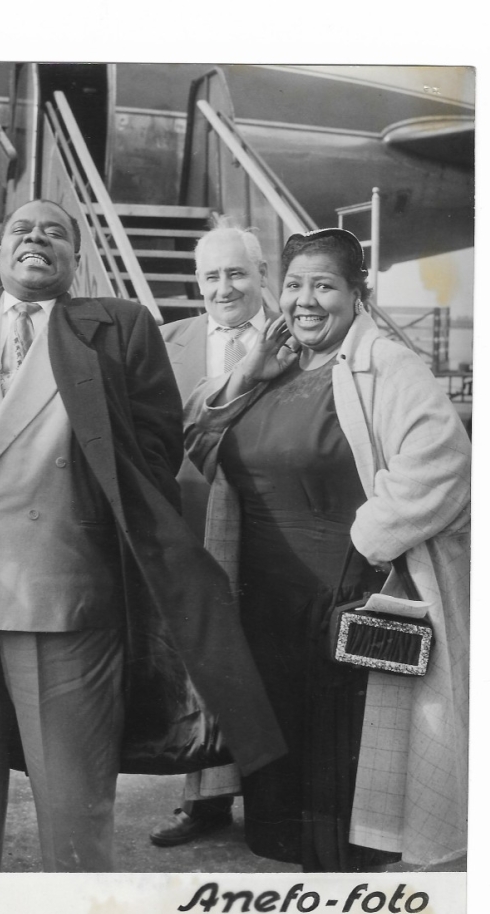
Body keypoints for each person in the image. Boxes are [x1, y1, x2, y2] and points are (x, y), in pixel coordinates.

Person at [0, 198, 286, 873]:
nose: (37, 239)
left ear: (77, 257)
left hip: (65, 595)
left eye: (55, 232)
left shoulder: (118, 326)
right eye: (22, 229)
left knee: (74, 812)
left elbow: (156, 450)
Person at [184, 228, 471, 871]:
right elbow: (197, 444)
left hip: (343, 593)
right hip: (262, 596)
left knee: (339, 761)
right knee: (278, 754)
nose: (306, 300)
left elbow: (445, 463)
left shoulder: (386, 363)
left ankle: (342, 896)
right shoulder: (276, 364)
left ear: (356, 294)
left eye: (324, 286)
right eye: (294, 285)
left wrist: (366, 543)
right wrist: (247, 373)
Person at [150, 222, 278, 847]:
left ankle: (278, 797)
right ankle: (204, 800)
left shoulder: (298, 335)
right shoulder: (167, 341)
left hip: (278, 518)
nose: (224, 288)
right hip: (196, 521)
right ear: (196, 282)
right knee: (204, 656)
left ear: (262, 275)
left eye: (237, 273)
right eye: (211, 276)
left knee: (272, 651)